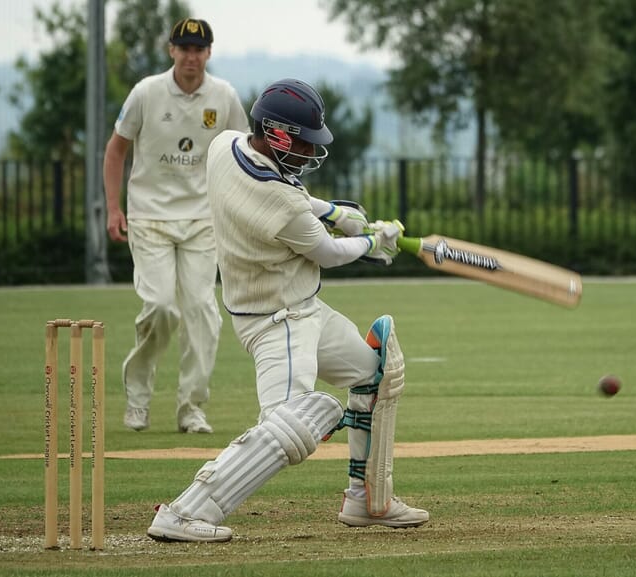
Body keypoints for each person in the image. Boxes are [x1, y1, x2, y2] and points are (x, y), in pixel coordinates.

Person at [145, 78, 429, 542]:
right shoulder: (279, 203)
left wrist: (335, 212)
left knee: (374, 374)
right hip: (277, 323)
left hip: (304, 309)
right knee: (295, 422)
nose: (308, 151)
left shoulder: (225, 145)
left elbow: (300, 201)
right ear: (276, 134)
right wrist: (374, 242)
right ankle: (183, 511)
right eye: (301, 140)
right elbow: (328, 253)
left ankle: (367, 501)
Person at [104, 18, 249, 434]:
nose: (191, 56)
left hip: (204, 220)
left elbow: (243, 157)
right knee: (162, 307)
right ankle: (138, 399)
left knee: (202, 311)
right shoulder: (146, 93)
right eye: (184, 48)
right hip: (150, 217)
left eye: (198, 49)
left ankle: (191, 407)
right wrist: (114, 208)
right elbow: (115, 152)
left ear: (208, 53)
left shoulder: (223, 97)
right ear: (171, 51)